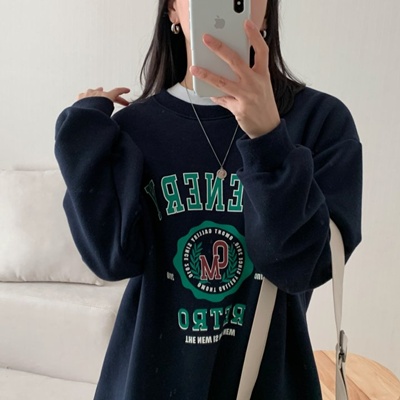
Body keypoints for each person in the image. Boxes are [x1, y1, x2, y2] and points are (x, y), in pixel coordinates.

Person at [55, 0, 362, 398]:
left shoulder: (321, 121)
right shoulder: (135, 127)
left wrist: (268, 139)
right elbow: (112, 258)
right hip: (150, 381)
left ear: (266, 12)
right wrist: (82, 131)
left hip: (267, 383)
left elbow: (303, 267)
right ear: (172, 11)